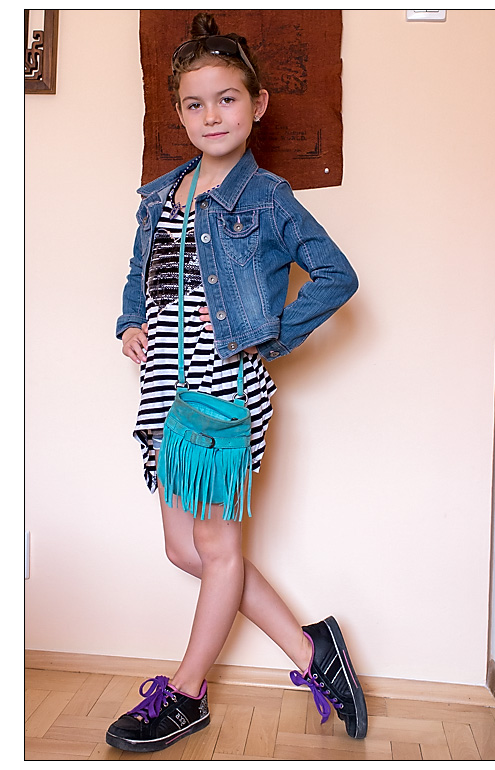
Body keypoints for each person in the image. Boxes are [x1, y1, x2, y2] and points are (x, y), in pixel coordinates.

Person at [107, 12, 366, 754]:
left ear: (258, 104)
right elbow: (140, 274)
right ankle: (315, 652)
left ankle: (186, 692)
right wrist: (129, 322)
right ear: (179, 113)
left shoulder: (268, 197)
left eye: (227, 99)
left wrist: (270, 337)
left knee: (216, 548)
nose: (211, 115)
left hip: (224, 388)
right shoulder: (161, 196)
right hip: (164, 388)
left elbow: (337, 275)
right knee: (183, 548)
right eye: (195, 104)